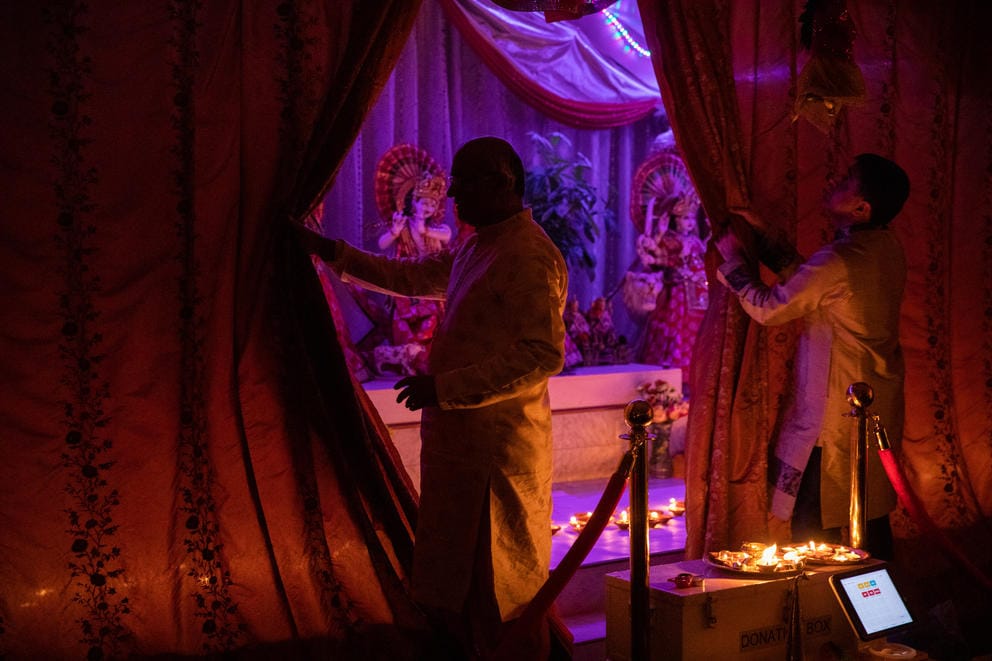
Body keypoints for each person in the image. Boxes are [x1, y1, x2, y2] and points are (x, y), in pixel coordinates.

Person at [296, 137, 568, 659]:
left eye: (464, 182)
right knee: (455, 590)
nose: (453, 195)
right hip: (460, 447)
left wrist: (443, 389)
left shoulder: (530, 255)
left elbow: (539, 356)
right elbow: (412, 278)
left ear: (502, 184)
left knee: (500, 594)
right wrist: (331, 252)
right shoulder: (478, 245)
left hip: (499, 457)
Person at [715, 153, 910, 560]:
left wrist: (733, 260)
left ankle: (828, 616)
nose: (831, 184)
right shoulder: (883, 247)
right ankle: (877, 614)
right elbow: (814, 284)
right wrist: (764, 234)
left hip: (837, 415)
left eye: (845, 181)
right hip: (871, 403)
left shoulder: (842, 259)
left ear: (862, 207)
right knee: (869, 517)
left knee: (816, 528)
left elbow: (771, 308)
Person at [635, 191, 709, 377]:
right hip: (677, 292)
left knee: (699, 330)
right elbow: (655, 256)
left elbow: (704, 256)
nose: (690, 222)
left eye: (692, 218)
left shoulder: (695, 241)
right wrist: (659, 233)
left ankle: (695, 369)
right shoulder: (669, 239)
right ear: (675, 220)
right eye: (685, 218)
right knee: (677, 329)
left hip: (699, 291)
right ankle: (674, 369)